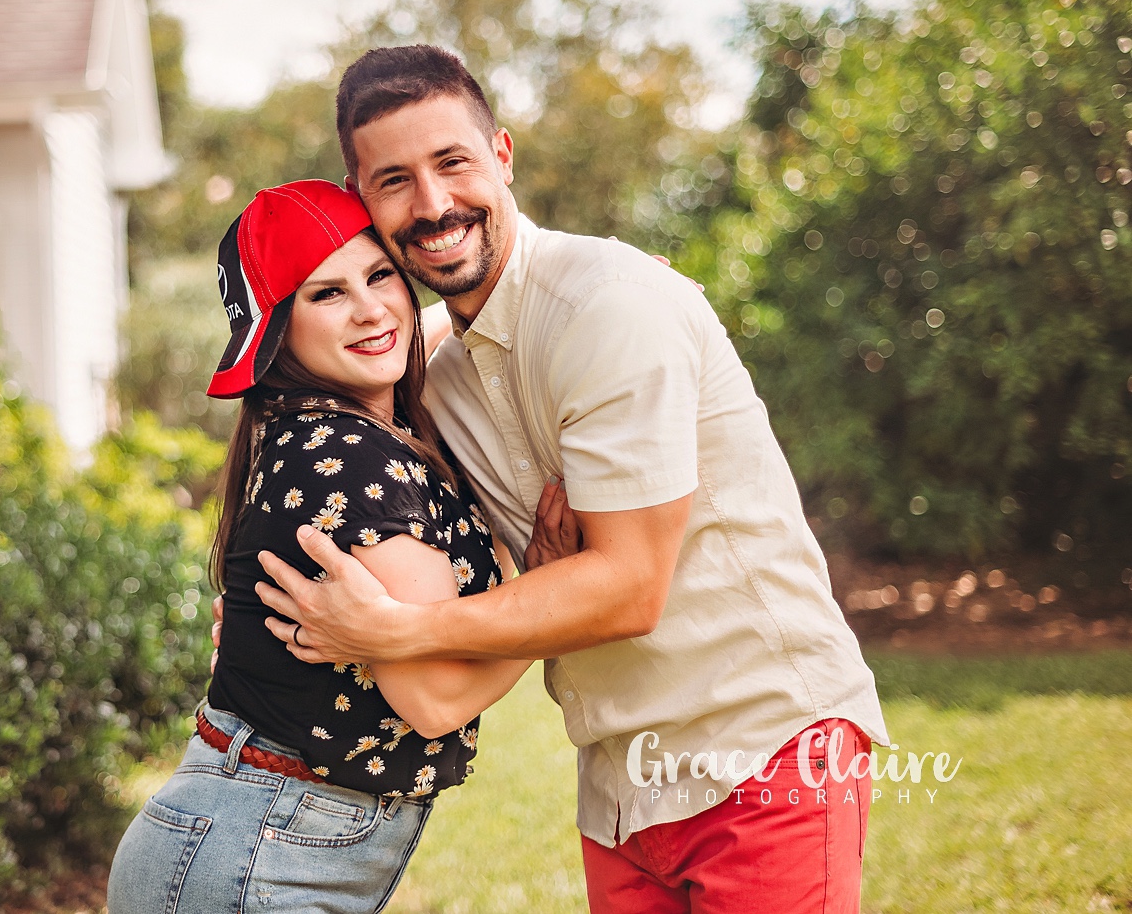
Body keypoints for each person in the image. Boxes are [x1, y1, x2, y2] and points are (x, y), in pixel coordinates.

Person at [253, 47, 891, 914]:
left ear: (503, 155)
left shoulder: (610, 305)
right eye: (394, 180)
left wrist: (393, 631)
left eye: (452, 162)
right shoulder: (429, 364)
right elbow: (323, 431)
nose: (433, 204)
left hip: (762, 746)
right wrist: (255, 615)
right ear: (360, 198)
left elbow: (629, 588)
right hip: (620, 786)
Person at [106, 179, 577, 914]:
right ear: (279, 332)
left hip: (253, 835)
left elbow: (424, 324)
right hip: (257, 855)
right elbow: (434, 698)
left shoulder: (319, 426)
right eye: (326, 293)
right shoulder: (349, 459)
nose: (370, 309)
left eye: (380, 275)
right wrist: (549, 590)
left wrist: (587, 292)